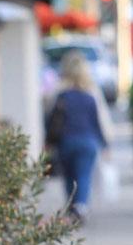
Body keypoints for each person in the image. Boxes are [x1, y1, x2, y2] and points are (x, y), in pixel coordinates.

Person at [46, 51, 111, 223]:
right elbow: (98, 122)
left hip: (66, 142)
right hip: (88, 141)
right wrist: (105, 145)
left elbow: (51, 120)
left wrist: (47, 142)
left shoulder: (59, 94)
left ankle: (73, 206)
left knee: (69, 176)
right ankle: (80, 206)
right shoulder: (91, 95)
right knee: (83, 175)